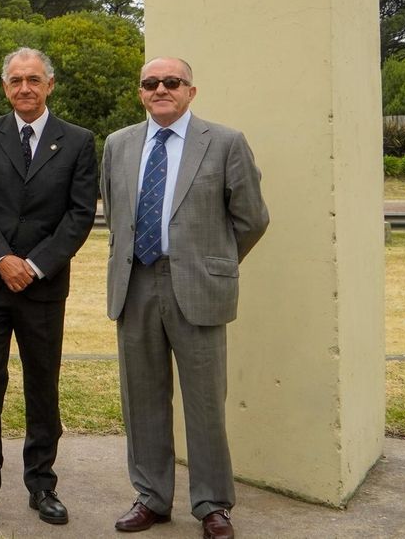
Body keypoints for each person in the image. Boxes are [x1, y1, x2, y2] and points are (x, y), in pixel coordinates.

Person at [101, 57, 268, 539]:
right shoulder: (118, 144)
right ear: (140, 92)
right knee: (142, 398)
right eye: (150, 83)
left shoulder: (225, 142)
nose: (161, 89)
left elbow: (252, 218)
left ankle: (212, 504)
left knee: (204, 402)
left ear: (190, 91)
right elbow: (115, 214)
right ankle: (151, 497)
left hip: (197, 286)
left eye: (171, 82)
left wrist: (213, 261)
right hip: (135, 285)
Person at [0, 48, 97, 530]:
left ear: (50, 85)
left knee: (42, 386)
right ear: (5, 87)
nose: (24, 88)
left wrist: (35, 266)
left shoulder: (77, 141)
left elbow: (80, 213)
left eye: (33, 79)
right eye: (15, 80)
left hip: (43, 288)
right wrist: (2, 259)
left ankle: (42, 484)